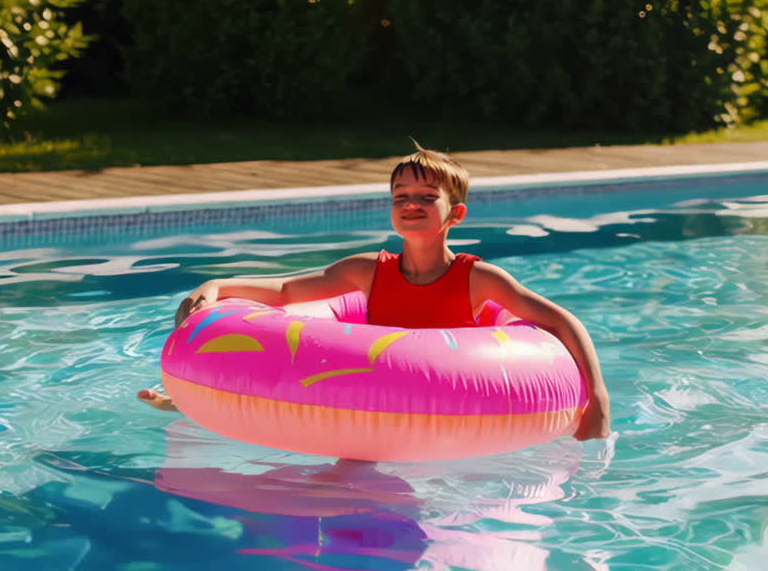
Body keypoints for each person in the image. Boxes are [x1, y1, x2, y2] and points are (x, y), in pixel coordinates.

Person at [139, 143, 611, 441]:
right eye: (401, 196)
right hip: (373, 401)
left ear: (456, 215)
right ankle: (185, 398)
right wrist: (216, 285)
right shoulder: (367, 270)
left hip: (448, 407)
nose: (411, 205)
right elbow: (285, 291)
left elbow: (562, 321)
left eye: (427, 198)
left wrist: (597, 402)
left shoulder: (478, 279)